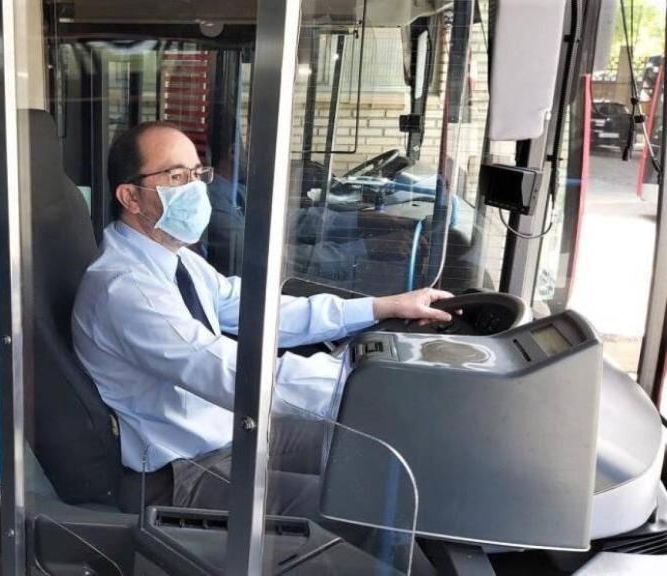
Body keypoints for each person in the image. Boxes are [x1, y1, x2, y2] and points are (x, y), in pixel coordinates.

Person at [72, 121, 454, 519]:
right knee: (361, 503)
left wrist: (379, 308)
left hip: (228, 431)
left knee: (369, 452)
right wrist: (356, 384)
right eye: (176, 176)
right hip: (184, 467)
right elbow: (230, 372)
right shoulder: (125, 289)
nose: (196, 188)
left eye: (198, 173)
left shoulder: (176, 259)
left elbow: (258, 309)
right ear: (130, 197)